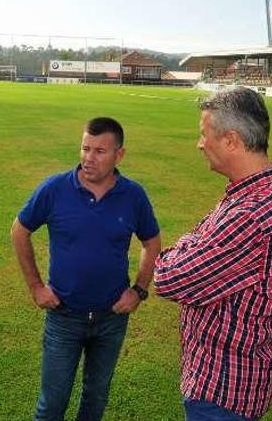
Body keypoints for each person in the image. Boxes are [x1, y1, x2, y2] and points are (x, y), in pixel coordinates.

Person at [153, 87, 272, 421]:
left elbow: (168, 278)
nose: (200, 143)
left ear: (231, 140)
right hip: (238, 379)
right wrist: (196, 242)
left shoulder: (251, 213)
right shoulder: (262, 189)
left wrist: (179, 250)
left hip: (224, 388)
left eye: (204, 134)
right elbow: (201, 237)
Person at [11, 117, 161, 421]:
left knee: (95, 400)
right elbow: (19, 231)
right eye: (85, 148)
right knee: (51, 405)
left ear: (119, 155)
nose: (88, 158)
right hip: (64, 317)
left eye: (99, 151)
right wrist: (36, 287)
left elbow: (152, 241)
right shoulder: (55, 189)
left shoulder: (133, 196)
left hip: (111, 319)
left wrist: (139, 290)